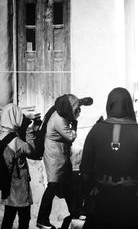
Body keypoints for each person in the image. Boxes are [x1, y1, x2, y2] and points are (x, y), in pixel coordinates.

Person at [79, 87, 138, 229]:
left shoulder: (95, 131)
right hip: (133, 206)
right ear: (129, 105)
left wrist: (90, 193)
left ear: (109, 105)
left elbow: (85, 171)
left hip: (102, 205)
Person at [37, 94, 81, 229]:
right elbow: (71, 136)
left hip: (59, 154)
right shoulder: (59, 120)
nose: (78, 111)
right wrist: (75, 122)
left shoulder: (60, 113)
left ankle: (74, 213)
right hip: (54, 155)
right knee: (53, 185)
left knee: (67, 184)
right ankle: (42, 219)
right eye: (76, 109)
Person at [0, 104, 35, 229]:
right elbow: (31, 151)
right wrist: (30, 131)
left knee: (8, 219)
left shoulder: (2, 136)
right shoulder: (15, 141)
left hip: (7, 186)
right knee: (24, 219)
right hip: (19, 187)